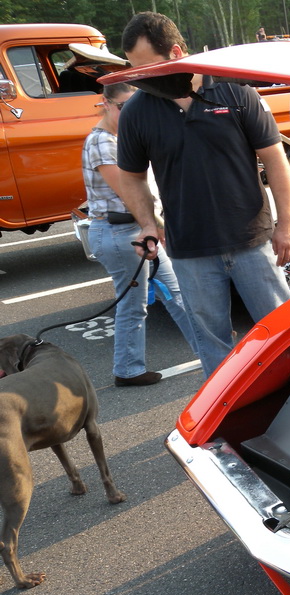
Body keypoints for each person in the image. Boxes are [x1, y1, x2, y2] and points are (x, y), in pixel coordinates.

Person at [116, 12, 290, 378]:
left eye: (148, 68)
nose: (143, 79)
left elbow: (276, 160)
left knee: (282, 330)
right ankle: (229, 419)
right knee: (212, 341)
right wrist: (147, 224)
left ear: (176, 52)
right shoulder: (136, 111)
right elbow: (131, 177)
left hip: (252, 242)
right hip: (190, 251)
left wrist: (287, 223)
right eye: (136, 71)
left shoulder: (235, 92)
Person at [83, 83, 198, 386]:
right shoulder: (102, 142)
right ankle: (128, 369)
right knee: (137, 305)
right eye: (123, 106)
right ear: (104, 104)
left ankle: (214, 351)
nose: (130, 113)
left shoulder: (118, 137)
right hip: (119, 233)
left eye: (134, 106)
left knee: (176, 295)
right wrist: (159, 226)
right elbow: (128, 192)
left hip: (132, 229)